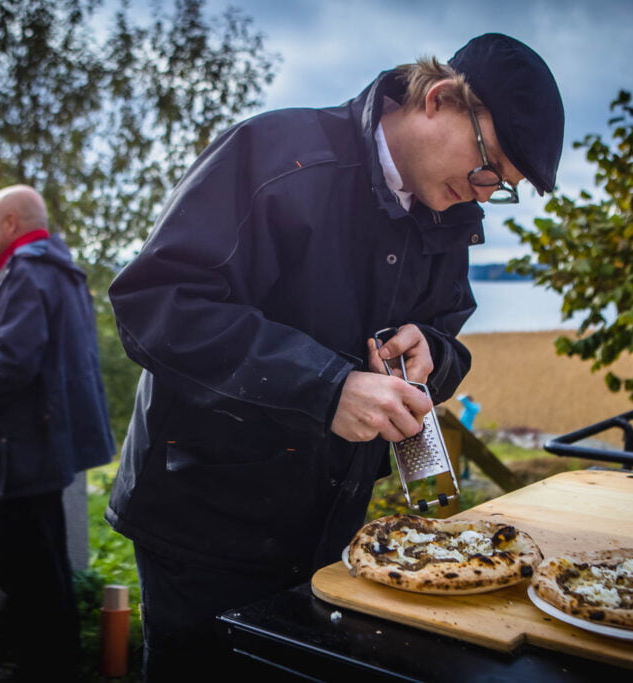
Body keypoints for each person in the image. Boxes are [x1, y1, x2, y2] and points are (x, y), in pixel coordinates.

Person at [107, 32, 564, 678]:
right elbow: (154, 305)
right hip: (207, 526)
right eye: (490, 168)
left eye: (502, 187)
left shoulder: (449, 213)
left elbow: (449, 341)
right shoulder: (276, 155)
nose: (486, 193)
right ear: (438, 99)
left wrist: (431, 352)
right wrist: (326, 388)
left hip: (329, 531)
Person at [0, 184, 115, 680]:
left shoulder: (26, 272)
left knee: (27, 570)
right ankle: (57, 662)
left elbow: (15, 365)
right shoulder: (64, 273)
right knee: (46, 568)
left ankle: (42, 667)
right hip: (50, 443)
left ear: (9, 223)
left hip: (24, 445)